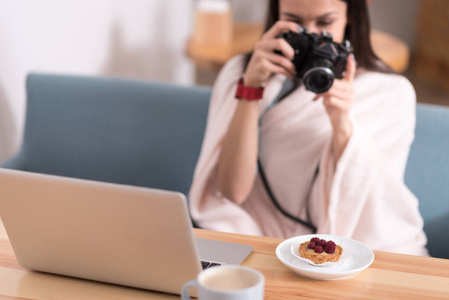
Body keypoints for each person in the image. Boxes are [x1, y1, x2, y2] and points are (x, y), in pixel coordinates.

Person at [189, 0, 428, 256]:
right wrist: (250, 89)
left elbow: (371, 205)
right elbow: (233, 192)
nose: (311, 34)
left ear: (351, 16)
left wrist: (341, 122)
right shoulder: (240, 72)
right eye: (294, 22)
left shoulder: (389, 92)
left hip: (355, 246)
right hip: (259, 234)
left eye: (325, 23)